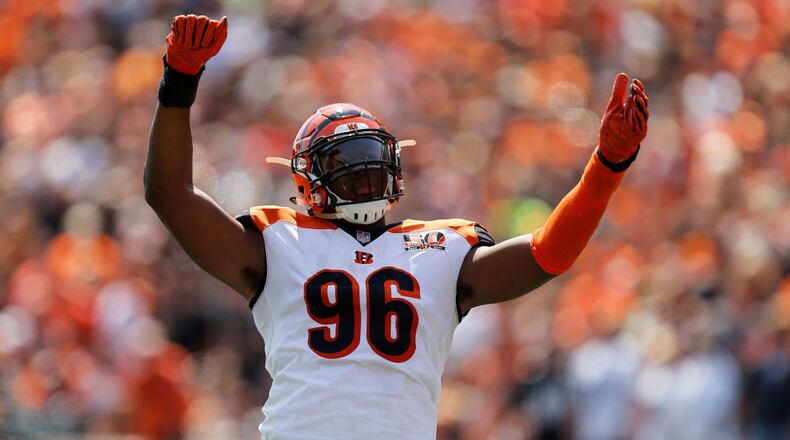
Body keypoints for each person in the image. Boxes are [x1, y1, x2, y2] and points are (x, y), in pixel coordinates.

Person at [144, 14, 649, 440]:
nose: (362, 172)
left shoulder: (441, 248)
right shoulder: (279, 242)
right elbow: (170, 195)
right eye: (343, 160)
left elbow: (547, 255)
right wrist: (179, 82)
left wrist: (606, 166)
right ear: (308, 179)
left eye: (369, 158)